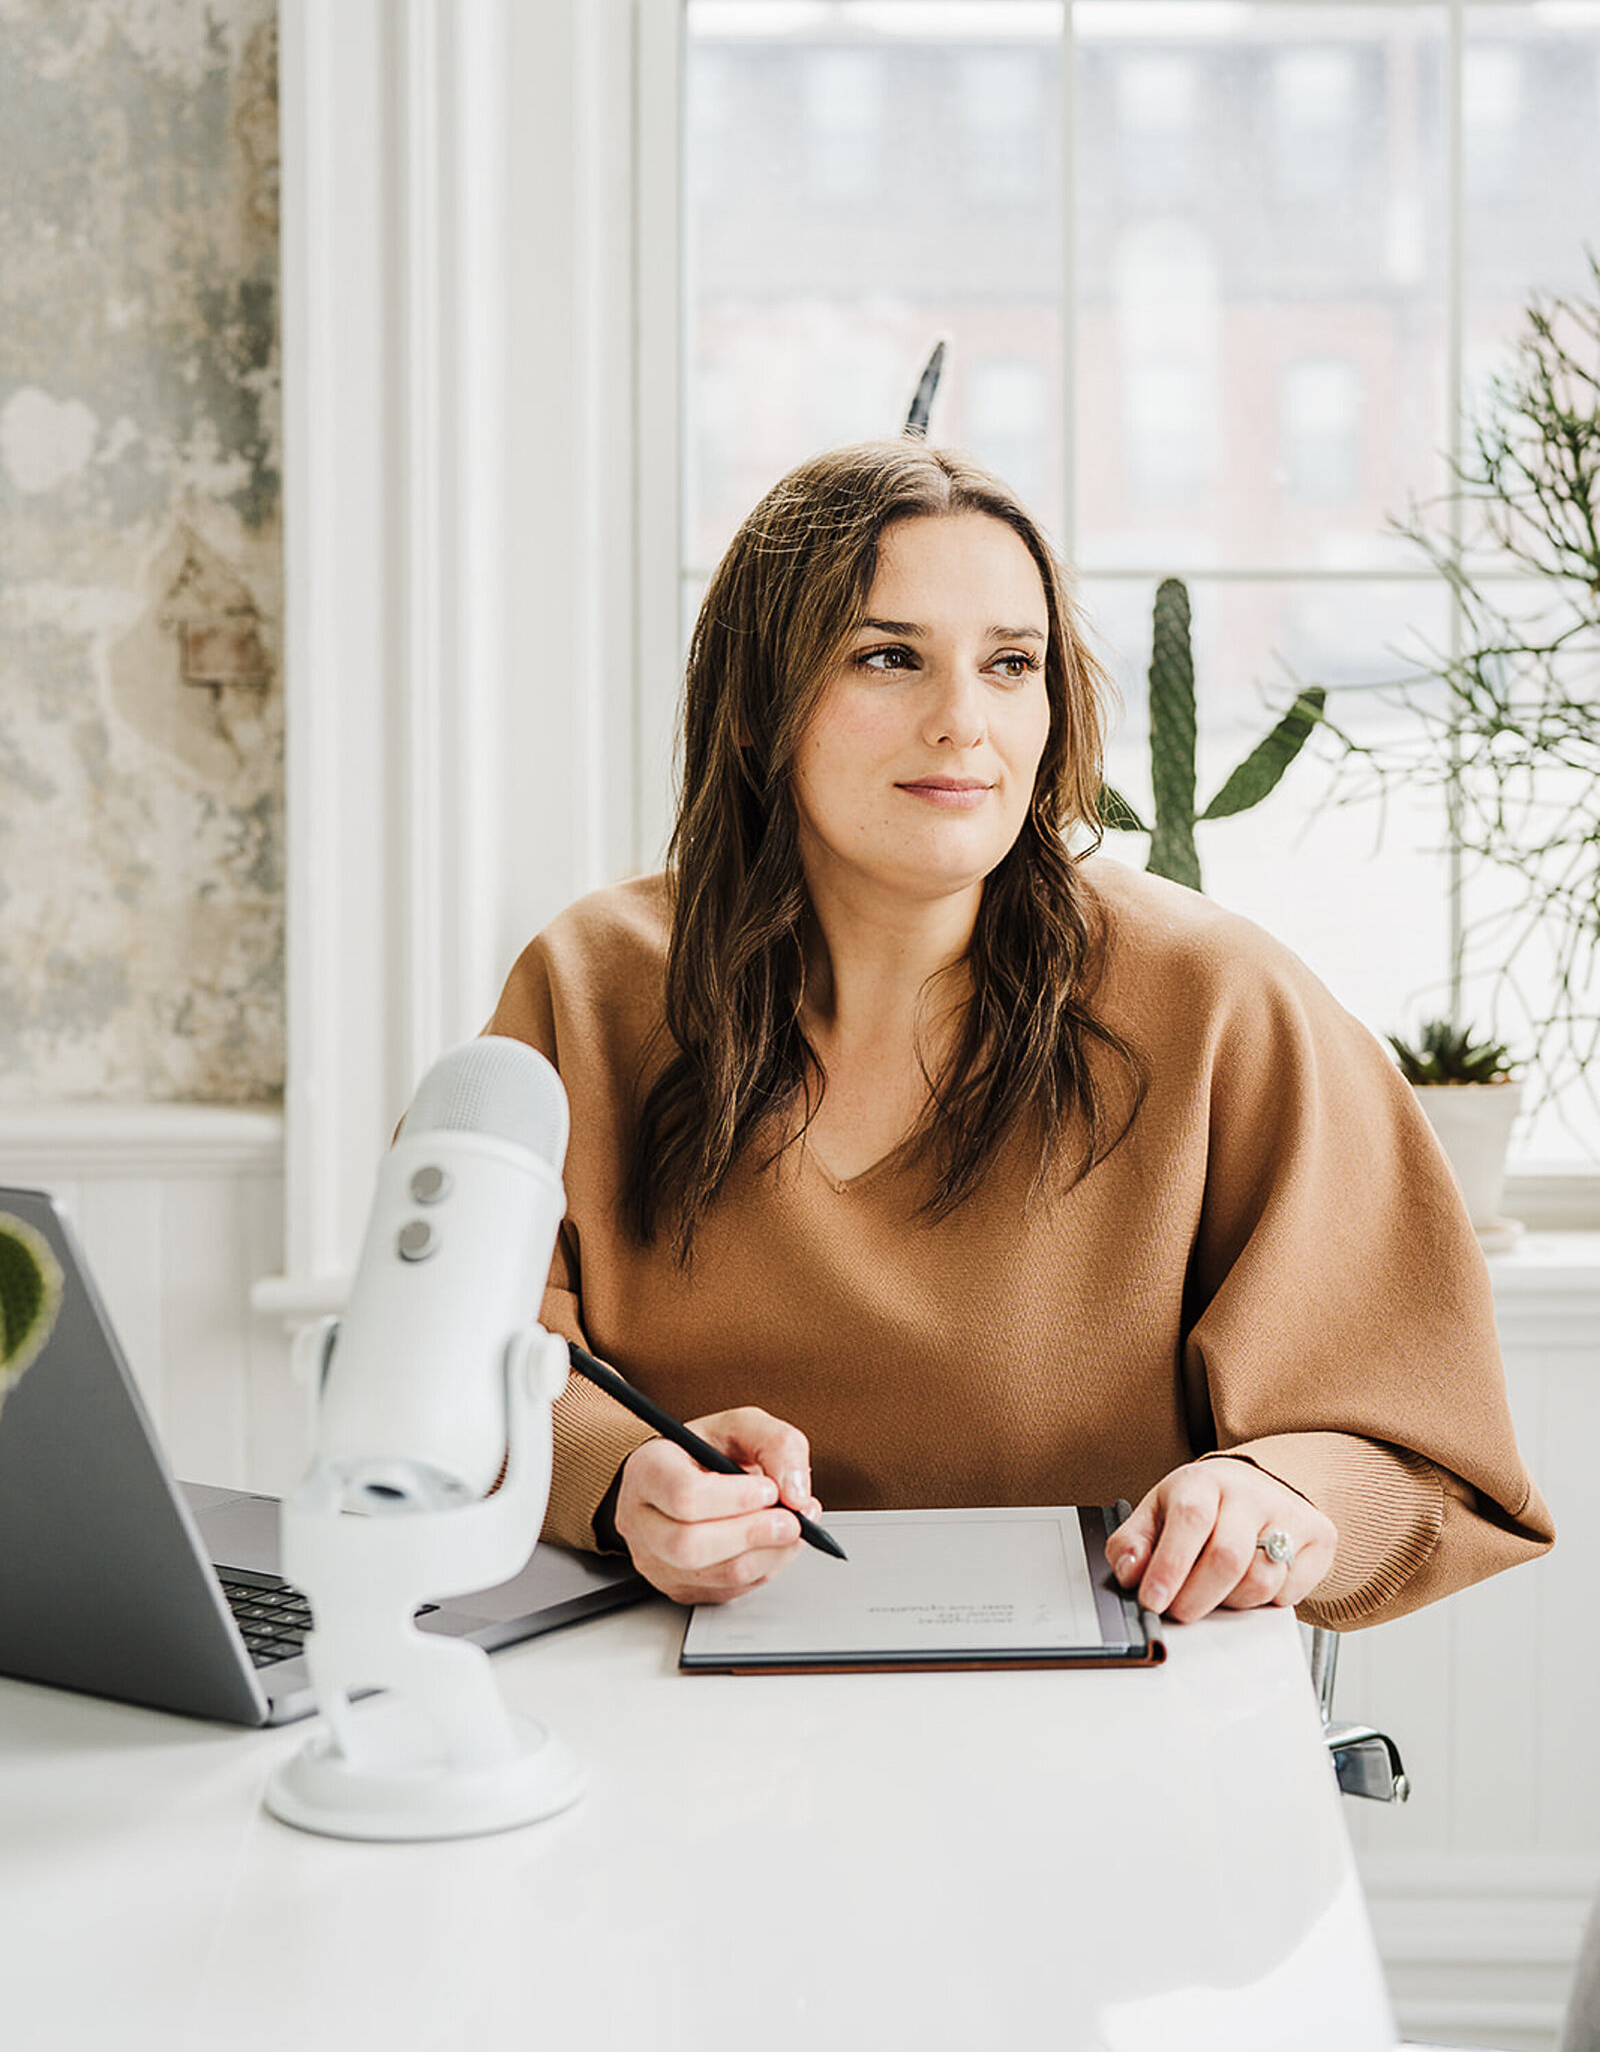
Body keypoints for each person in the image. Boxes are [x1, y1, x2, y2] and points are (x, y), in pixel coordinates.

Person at [488, 439, 1552, 1626]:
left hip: (1106, 1725)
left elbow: (1421, 1449)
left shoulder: (1219, 1002)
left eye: (1010, 664)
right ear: (753, 711)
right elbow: (457, 1363)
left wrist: (1272, 1488)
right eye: (887, 657)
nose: (962, 722)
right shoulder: (584, 984)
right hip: (655, 1719)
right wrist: (621, 1476)